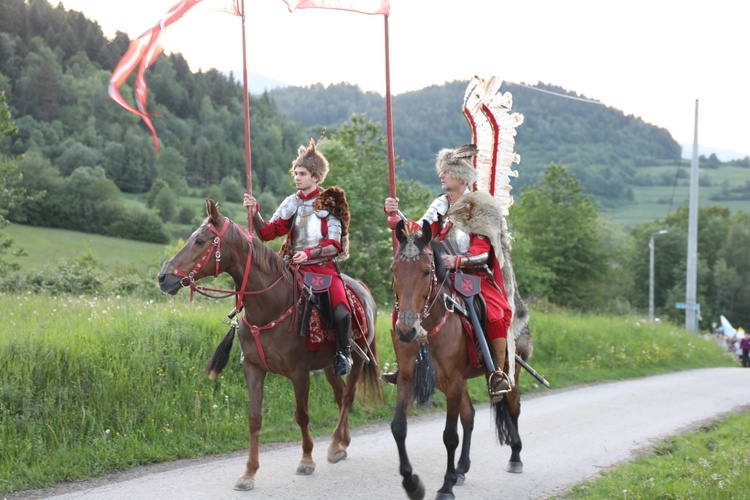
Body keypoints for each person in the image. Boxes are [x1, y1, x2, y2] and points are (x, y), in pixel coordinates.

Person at [383, 144, 513, 401]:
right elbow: (417, 231)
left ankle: (496, 372)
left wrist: (459, 260)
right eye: (441, 171)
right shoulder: (440, 204)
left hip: (474, 275)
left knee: (496, 313)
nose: (441, 176)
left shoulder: (481, 206)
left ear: (461, 176)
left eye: (446, 172)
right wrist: (395, 215)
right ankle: (405, 365)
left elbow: (484, 252)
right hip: (439, 273)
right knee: (404, 306)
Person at [244, 139, 353, 376]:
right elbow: (268, 233)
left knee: (341, 308)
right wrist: (255, 213)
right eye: (295, 173)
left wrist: (310, 253)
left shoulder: (329, 203)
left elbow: (334, 244)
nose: (297, 177)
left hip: (323, 268)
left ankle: (344, 353)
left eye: (302, 173)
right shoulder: (291, 202)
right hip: (293, 267)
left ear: (315, 177)